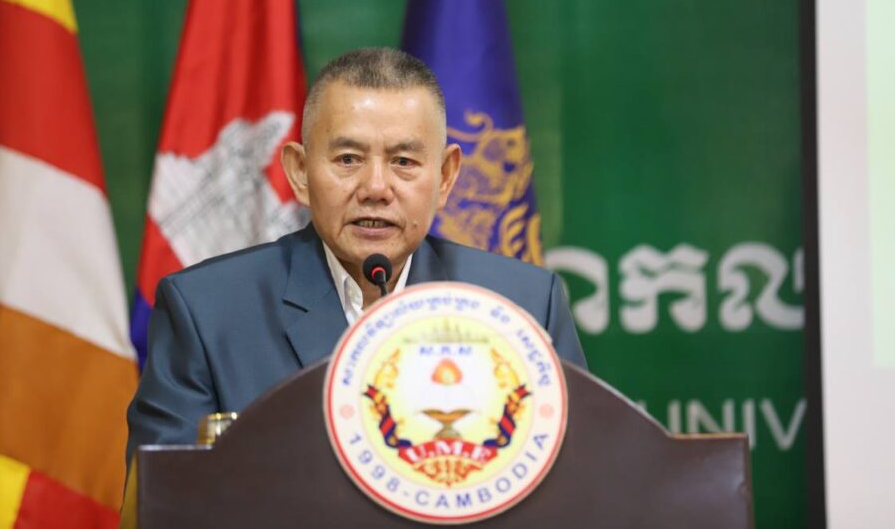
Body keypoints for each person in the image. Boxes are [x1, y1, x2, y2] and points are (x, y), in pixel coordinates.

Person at [126, 48, 586, 461]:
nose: (376, 188)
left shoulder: (524, 306)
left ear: (446, 177)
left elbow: (583, 481)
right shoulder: (207, 312)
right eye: (348, 159)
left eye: (404, 162)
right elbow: (168, 502)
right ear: (300, 172)